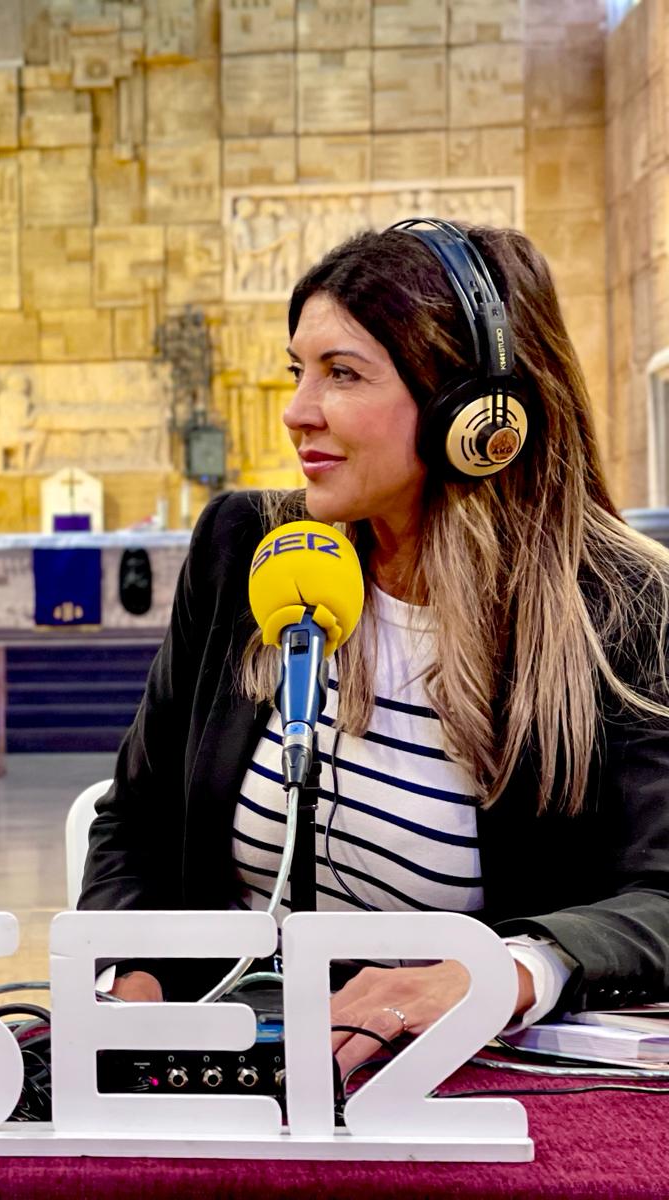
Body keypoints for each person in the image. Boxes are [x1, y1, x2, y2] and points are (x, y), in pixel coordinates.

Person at [79, 220, 669, 1076]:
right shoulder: (247, 547)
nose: (296, 412)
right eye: (297, 371)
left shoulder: (618, 604)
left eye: (342, 374)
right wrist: (129, 983)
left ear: (475, 415)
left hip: (465, 1074)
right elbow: (138, 816)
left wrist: (503, 972)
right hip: (235, 1051)